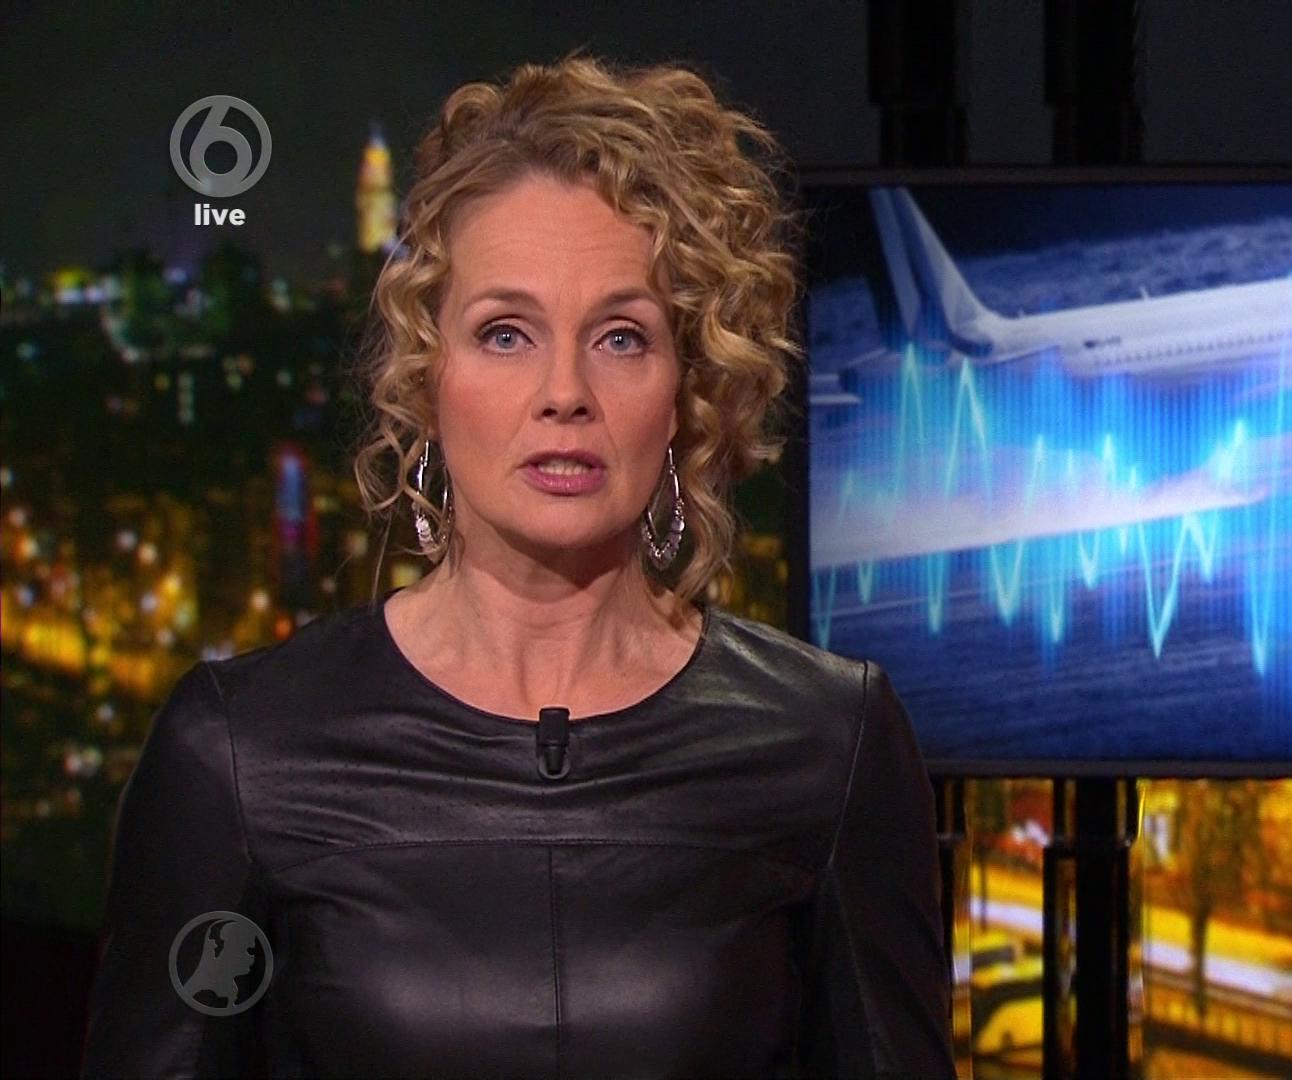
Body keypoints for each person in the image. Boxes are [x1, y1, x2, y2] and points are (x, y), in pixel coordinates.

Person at [80, 53, 954, 1079]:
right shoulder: (238, 749)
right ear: (426, 376)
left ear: (687, 390)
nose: (563, 391)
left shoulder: (828, 742)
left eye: (621, 337)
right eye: (505, 334)